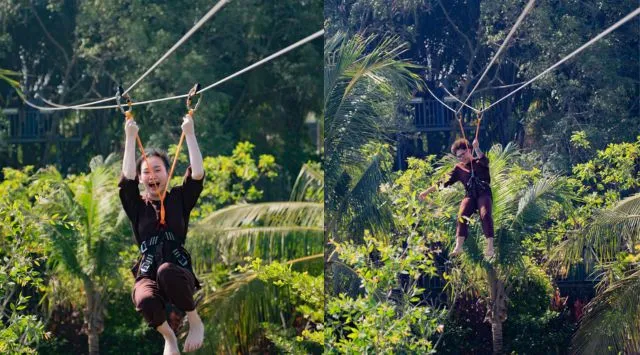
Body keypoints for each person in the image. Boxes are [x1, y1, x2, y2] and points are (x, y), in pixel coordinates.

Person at [119, 114, 205, 354]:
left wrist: (189, 133)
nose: (152, 176)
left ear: (168, 173)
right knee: (143, 297)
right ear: (141, 179)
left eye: (157, 170)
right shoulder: (137, 206)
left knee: (166, 270)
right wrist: (130, 137)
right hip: (147, 271)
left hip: (177, 272)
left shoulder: (179, 198)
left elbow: (197, 174)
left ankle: (195, 320)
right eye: (146, 173)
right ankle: (169, 337)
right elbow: (127, 179)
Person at [419, 138, 495, 258]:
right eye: (458, 156)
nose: (461, 158)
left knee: (485, 215)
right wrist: (426, 192)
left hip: (483, 193)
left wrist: (477, 148)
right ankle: (458, 247)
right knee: (462, 215)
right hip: (470, 195)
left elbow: (485, 160)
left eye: (463, 154)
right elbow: (443, 182)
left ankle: (490, 248)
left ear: (469, 150)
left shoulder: (480, 162)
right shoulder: (459, 168)